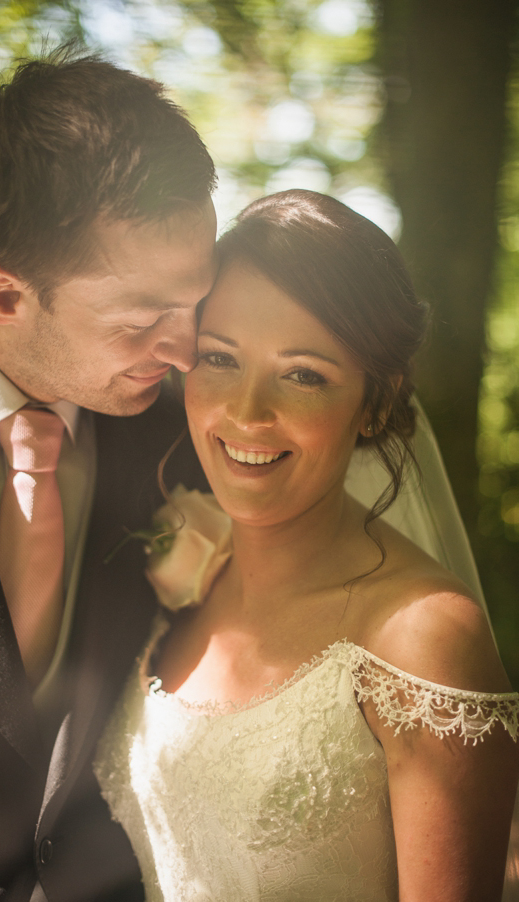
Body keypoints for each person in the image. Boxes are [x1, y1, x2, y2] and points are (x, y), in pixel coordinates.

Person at [95, 190, 519, 901]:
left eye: (302, 374)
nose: (248, 412)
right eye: (219, 358)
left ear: (377, 402)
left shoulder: (424, 639)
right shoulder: (190, 564)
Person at [0, 47, 218, 900]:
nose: (187, 348)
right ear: (3, 295)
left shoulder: (194, 436)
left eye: (194, 301)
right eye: (146, 318)